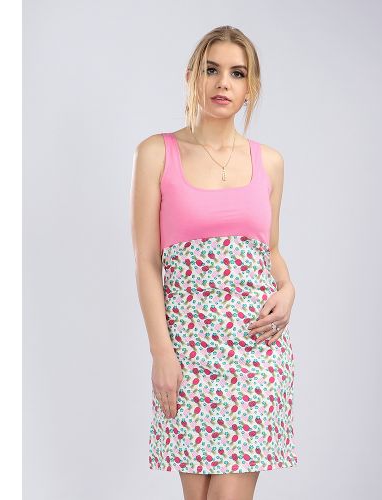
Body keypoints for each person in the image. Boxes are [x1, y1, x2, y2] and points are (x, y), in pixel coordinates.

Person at [130, 25, 298, 500]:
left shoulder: (270, 162)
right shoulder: (156, 153)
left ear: (251, 88)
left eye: (237, 73)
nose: (223, 83)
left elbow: (270, 250)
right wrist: (162, 353)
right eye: (212, 69)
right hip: (188, 355)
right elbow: (146, 261)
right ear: (192, 76)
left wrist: (288, 290)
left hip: (255, 354)